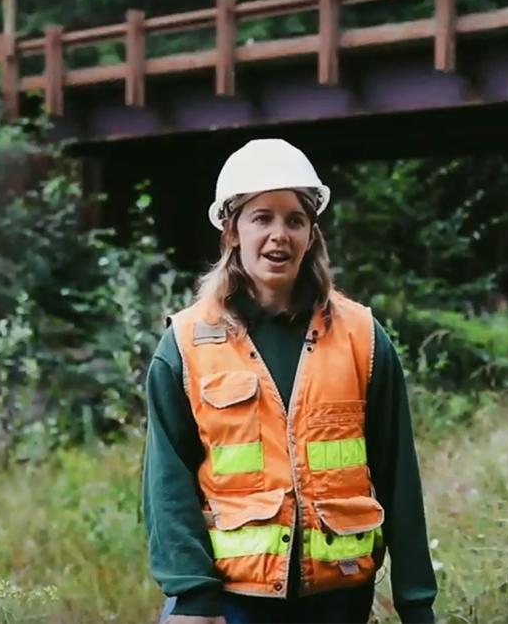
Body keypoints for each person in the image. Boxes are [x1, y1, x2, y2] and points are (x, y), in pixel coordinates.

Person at [142, 138, 437, 624]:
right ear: (232, 231)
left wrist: (416, 601)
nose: (279, 234)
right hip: (232, 601)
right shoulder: (186, 345)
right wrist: (191, 595)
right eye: (262, 217)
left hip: (339, 598)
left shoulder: (362, 337)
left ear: (311, 234)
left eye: (294, 219)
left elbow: (399, 474)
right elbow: (166, 485)